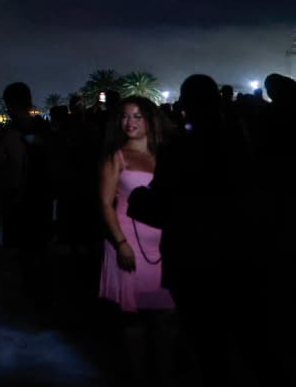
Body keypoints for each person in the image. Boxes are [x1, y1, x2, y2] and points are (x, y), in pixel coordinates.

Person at [128, 74, 286, 385]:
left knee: (210, 350)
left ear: (185, 107)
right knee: (255, 343)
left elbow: (164, 207)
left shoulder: (179, 150)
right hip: (242, 258)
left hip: (193, 262)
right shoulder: (247, 142)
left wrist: (138, 198)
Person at [97, 96, 175, 385]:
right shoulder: (116, 156)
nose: (129, 122)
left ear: (151, 120)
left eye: (137, 116)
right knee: (134, 319)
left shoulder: (165, 155)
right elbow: (105, 204)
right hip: (128, 244)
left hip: (163, 248)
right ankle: (137, 377)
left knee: (165, 317)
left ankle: (163, 376)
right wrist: (120, 243)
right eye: (125, 116)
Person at [0, 81, 54, 318]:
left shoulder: (9, 133)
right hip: (42, 198)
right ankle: (40, 306)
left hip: (19, 200)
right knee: (39, 253)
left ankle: (25, 307)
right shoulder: (45, 130)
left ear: (9, 103)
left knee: (22, 257)